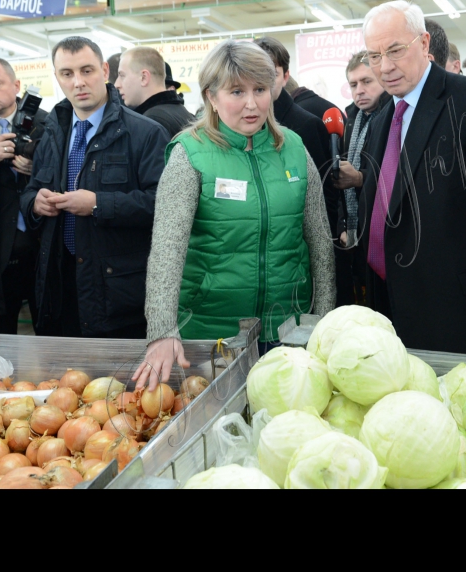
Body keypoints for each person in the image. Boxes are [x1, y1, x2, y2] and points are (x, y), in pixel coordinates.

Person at [133, 40, 335, 390]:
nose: (252, 104)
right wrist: (162, 331)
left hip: (288, 332)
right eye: (236, 92)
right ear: (211, 96)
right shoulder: (190, 154)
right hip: (211, 338)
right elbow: (167, 250)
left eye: (260, 89)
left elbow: (319, 241)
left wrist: (324, 319)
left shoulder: (294, 148)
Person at [359, 0, 466, 355]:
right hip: (389, 311)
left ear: (424, 44)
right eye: (374, 56)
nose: (385, 66)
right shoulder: (379, 122)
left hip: (458, 314)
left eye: (394, 50)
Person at [20, 37, 170, 339]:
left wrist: (99, 204)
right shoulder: (51, 131)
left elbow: (164, 206)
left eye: (86, 70)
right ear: (57, 78)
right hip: (59, 287)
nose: (78, 82)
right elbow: (30, 189)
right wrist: (35, 202)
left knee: (118, 385)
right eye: (67, 74)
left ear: (104, 71)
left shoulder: (144, 133)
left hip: (118, 295)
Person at [253, 37, 339, 231]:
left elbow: (324, 199)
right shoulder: (240, 124)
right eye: (256, 74)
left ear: (285, 77)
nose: (264, 82)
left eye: (271, 75)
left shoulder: (306, 125)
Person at [334, 50, 391, 304]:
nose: (359, 90)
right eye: (353, 84)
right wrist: (345, 226)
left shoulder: (394, 117)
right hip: (356, 238)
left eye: (367, 81)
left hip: (386, 237)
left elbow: (398, 174)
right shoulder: (351, 119)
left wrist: (359, 178)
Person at [0, 59, 48, 334]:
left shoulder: (48, 122)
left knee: (48, 328)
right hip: (2, 254)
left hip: (39, 246)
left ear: (17, 86)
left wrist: (37, 169)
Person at [115, 46, 195, 139]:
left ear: (144, 78)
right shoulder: (183, 113)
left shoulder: (151, 122)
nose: (117, 84)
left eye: (122, 75)